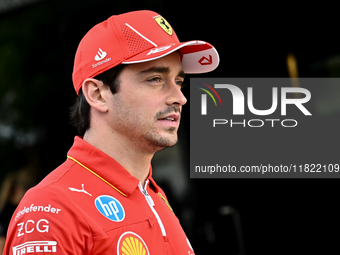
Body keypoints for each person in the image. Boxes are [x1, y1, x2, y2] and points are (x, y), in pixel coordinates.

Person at [3, 10, 219, 255]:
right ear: (97, 94)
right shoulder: (51, 210)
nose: (179, 97)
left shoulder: (153, 194)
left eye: (179, 82)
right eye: (156, 79)